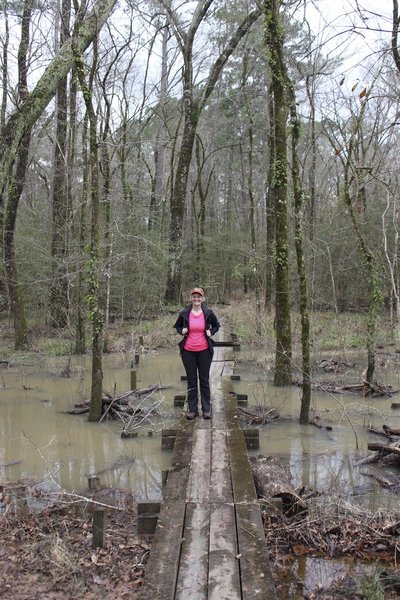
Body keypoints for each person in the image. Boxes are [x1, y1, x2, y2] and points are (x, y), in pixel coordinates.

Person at [173, 287, 220, 420]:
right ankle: (193, 410)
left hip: (205, 351)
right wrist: (181, 331)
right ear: (191, 298)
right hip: (188, 352)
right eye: (194, 296)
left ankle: (206, 410)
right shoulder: (185, 313)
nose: (196, 299)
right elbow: (177, 326)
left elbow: (216, 325)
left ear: (202, 298)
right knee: (192, 381)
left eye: (199, 296)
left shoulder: (208, 313)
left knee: (204, 380)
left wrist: (211, 332)